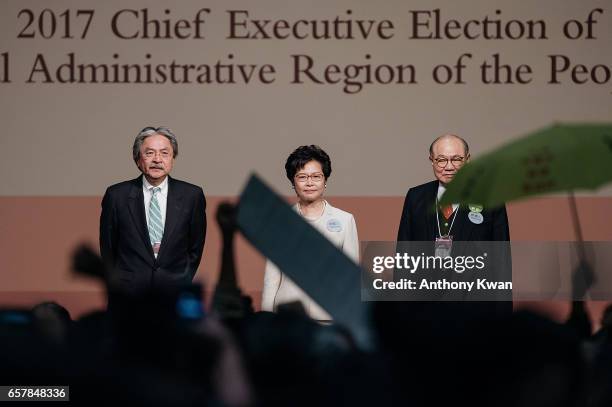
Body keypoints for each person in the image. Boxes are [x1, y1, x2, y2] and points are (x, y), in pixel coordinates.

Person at [100, 126, 206, 294]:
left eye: (164, 153)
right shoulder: (116, 196)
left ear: (173, 159)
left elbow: (195, 249)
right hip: (128, 294)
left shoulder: (192, 195)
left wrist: (182, 281)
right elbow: (108, 249)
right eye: (149, 153)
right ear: (137, 159)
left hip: (174, 293)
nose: (157, 159)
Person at [261, 145, 359, 321]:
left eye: (316, 176)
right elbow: (272, 278)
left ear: (325, 180)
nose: (309, 183)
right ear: (293, 182)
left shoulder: (345, 220)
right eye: (302, 177)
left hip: (329, 318)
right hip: (287, 318)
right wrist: (266, 322)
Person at [397, 133, 510, 242]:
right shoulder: (415, 196)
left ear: (467, 159)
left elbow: (502, 255)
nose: (449, 167)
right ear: (432, 160)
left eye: (456, 159)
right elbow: (404, 251)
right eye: (441, 160)